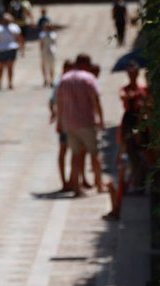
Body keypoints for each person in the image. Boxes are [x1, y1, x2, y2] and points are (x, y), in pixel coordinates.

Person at [56, 54, 105, 196]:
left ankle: (77, 188)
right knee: (95, 154)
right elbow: (96, 100)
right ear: (84, 64)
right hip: (87, 122)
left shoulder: (64, 79)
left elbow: (60, 103)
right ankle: (99, 184)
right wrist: (101, 119)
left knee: (75, 155)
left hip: (70, 123)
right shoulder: (89, 78)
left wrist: (60, 122)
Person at [119, 60, 149, 191]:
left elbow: (147, 103)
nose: (132, 75)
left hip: (142, 122)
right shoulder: (125, 90)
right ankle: (135, 181)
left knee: (144, 150)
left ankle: (142, 180)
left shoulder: (142, 89)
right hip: (130, 122)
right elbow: (124, 98)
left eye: (134, 73)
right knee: (130, 150)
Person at [49, 59, 75, 191]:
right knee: (64, 150)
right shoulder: (60, 83)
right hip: (65, 122)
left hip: (75, 122)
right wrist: (55, 115)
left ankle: (72, 180)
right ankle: (65, 182)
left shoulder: (74, 82)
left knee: (75, 152)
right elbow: (52, 100)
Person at [0, 13, 24, 90]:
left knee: (5, 67)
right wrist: (22, 48)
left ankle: (7, 83)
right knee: (5, 67)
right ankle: (3, 83)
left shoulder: (0, 28)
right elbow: (20, 38)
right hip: (6, 49)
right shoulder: (1, 28)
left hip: (6, 48)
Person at [39, 22, 57, 87]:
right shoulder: (54, 34)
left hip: (46, 51)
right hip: (51, 51)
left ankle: (46, 79)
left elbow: (41, 44)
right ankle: (50, 80)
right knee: (51, 66)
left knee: (45, 66)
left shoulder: (42, 34)